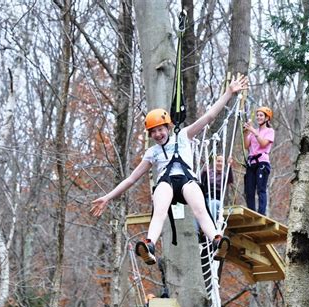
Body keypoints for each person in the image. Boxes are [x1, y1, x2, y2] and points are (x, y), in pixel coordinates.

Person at [90, 75, 248, 265]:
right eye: (153, 132)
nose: (158, 134)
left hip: (187, 181)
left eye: (160, 129)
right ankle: (149, 245)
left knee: (200, 209)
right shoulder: (152, 153)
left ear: (168, 127)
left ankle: (216, 240)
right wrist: (108, 197)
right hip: (166, 184)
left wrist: (229, 93)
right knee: (159, 209)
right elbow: (131, 179)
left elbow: (209, 116)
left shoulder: (183, 136)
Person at [243, 106, 274, 215]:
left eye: (261, 115)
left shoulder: (270, 131)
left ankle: (261, 213)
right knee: (249, 190)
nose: (258, 117)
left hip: (262, 162)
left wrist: (253, 131)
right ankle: (252, 212)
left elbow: (263, 143)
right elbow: (246, 146)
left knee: (261, 189)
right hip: (252, 163)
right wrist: (246, 132)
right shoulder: (253, 131)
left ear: (267, 118)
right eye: (258, 115)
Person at [200, 155, 233, 223]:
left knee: (213, 204)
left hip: (217, 201)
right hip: (207, 198)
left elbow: (230, 180)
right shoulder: (209, 172)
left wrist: (229, 167)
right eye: (218, 161)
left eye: (222, 162)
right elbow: (201, 181)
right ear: (214, 162)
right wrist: (204, 172)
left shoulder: (224, 175)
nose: (220, 163)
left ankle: (212, 225)